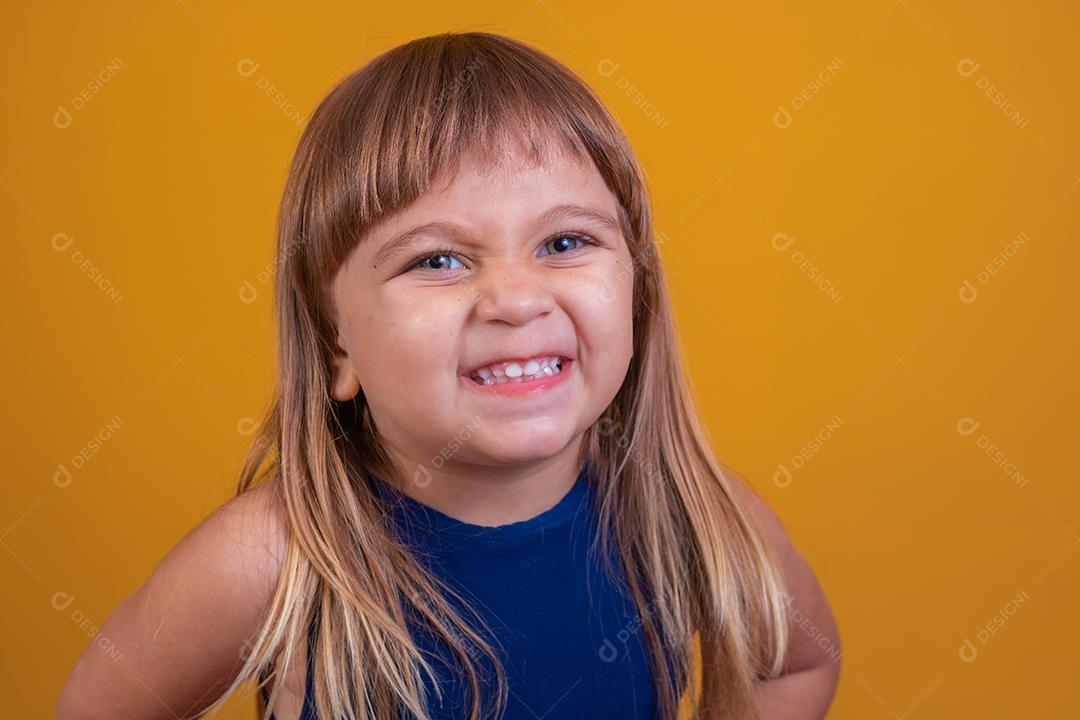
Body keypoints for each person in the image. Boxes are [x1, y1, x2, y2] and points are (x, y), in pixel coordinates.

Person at [57, 31, 841, 720]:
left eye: (565, 242)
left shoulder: (691, 515)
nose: (516, 298)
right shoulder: (273, 559)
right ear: (338, 347)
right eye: (438, 259)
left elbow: (802, 662)